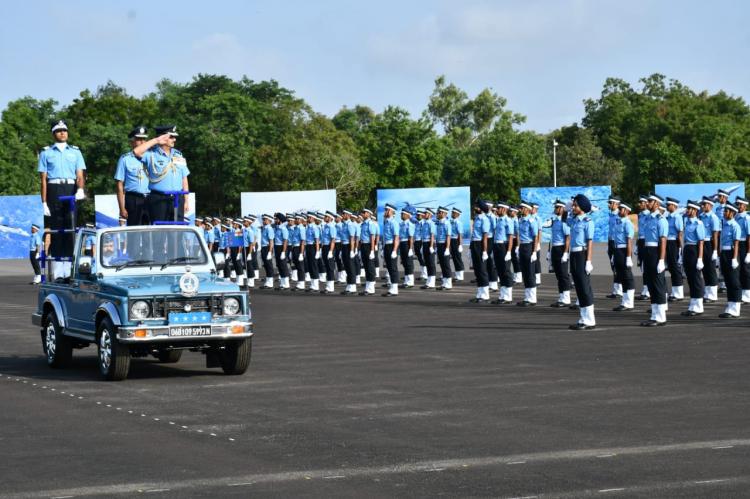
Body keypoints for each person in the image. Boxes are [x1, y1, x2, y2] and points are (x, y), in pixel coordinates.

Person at [38, 120, 86, 278]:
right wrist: (44, 201)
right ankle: (59, 270)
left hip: (71, 188)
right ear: (53, 134)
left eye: (64, 130)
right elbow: (43, 179)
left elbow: (80, 174)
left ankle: (70, 268)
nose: (63, 133)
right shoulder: (46, 153)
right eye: (59, 131)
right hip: (54, 189)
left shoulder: (76, 152)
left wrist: (80, 189)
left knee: (71, 227)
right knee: (57, 228)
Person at [133, 126, 189, 224]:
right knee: (159, 234)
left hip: (177, 198)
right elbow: (136, 152)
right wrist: (156, 140)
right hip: (159, 199)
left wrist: (186, 200)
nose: (174, 139)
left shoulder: (178, 154)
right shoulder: (151, 154)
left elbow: (184, 178)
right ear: (163, 137)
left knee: (177, 233)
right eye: (171, 137)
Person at [639, 194, 669, 327]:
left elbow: (663, 240)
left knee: (658, 284)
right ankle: (654, 315)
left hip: (656, 252)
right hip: (648, 251)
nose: (647, 203)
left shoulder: (660, 220)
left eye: (650, 201)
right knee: (650, 283)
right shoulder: (647, 218)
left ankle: (661, 316)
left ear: (657, 204)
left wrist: (662, 260)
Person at [568, 194, 596, 330]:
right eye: (573, 205)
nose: (573, 207)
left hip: (582, 254)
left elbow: (590, 243)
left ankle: (589, 320)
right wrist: (571, 204)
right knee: (578, 286)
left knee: (584, 287)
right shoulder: (573, 220)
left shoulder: (587, 221)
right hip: (573, 254)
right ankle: (583, 317)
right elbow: (563, 215)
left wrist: (588, 261)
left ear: (582, 207)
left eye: (576, 205)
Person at [114, 126, 150, 228]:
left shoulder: (151, 157)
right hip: (133, 199)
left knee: (150, 234)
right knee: (134, 233)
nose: (142, 142)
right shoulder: (125, 159)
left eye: (144, 139)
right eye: (138, 139)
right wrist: (122, 208)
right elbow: (119, 185)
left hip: (149, 198)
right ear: (132, 142)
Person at [680, 200, 706, 316]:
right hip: (687, 249)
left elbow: (701, 242)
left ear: (695, 210)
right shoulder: (687, 222)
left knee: (696, 278)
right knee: (690, 278)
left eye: (690, 209)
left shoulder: (698, 224)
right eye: (687, 208)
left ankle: (699, 306)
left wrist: (700, 258)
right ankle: (693, 304)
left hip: (695, 250)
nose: (687, 210)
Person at [719, 202, 742, 318]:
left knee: (734, 281)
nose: (724, 213)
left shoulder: (735, 226)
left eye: (726, 211)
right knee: (727, 281)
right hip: (724, 253)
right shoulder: (725, 224)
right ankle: (730, 306)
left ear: (732, 213)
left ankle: (736, 308)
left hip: (732, 253)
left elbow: (736, 243)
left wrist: (734, 258)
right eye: (724, 211)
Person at [611, 202, 636, 311]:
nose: (619, 210)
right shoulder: (618, 222)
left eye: (621, 209)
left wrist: (628, 257)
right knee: (621, 275)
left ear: (626, 211)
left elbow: (629, 241)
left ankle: (629, 302)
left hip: (624, 249)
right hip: (617, 249)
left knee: (627, 276)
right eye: (619, 208)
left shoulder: (627, 223)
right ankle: (624, 301)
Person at [548, 199, 572, 308]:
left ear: (562, 209)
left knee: (563, 274)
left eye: (557, 207)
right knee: (558, 274)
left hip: (562, 248)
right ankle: (561, 296)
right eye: (555, 207)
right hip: (555, 248)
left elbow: (567, 237)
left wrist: (565, 253)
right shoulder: (555, 221)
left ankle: (566, 298)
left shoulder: (564, 221)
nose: (555, 209)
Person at [516, 201, 540, 306]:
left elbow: (535, 236)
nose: (520, 210)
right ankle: (527, 297)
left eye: (522, 208)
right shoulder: (521, 220)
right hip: (523, 246)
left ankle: (532, 298)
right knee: (525, 272)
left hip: (529, 246)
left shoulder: (531, 221)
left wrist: (534, 251)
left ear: (527, 209)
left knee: (530, 272)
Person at [492, 202, 515, 304]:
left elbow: (510, 237)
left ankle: (508, 296)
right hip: (497, 246)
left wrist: (509, 251)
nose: (497, 210)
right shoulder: (498, 220)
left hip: (504, 246)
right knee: (500, 271)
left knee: (506, 271)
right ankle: (502, 295)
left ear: (504, 210)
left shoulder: (508, 221)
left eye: (499, 208)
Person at [469, 200, 492, 303]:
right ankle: (479, 294)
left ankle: (485, 295)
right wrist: (470, 248)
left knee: (482, 270)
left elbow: (485, 237)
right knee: (477, 270)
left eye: (477, 207)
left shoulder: (484, 219)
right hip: (474, 244)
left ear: (481, 209)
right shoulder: (476, 219)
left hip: (480, 245)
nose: (475, 208)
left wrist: (484, 251)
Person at [699, 197, 721, 302]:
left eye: (705, 204)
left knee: (711, 269)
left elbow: (715, 235)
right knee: (705, 269)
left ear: (711, 205)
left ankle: (713, 295)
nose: (703, 206)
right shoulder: (701, 216)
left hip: (710, 244)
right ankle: (707, 293)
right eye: (702, 204)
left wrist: (715, 250)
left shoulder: (713, 217)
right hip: (702, 243)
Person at [664, 197, 685, 301]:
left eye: (669, 205)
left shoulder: (677, 217)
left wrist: (680, 248)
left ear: (674, 206)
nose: (667, 207)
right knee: (671, 268)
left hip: (674, 243)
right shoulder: (668, 217)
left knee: (675, 268)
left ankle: (679, 293)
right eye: (667, 205)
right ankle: (675, 291)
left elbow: (680, 233)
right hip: (668, 242)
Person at [381, 204, 401, 296]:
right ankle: (392, 287)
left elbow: (396, 237)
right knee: (389, 267)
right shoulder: (386, 222)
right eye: (385, 210)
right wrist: (383, 248)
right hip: (387, 246)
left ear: (392, 212)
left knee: (393, 268)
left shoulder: (394, 222)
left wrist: (394, 250)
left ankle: (394, 288)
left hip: (392, 246)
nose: (386, 211)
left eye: (387, 210)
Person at [606, 196, 623, 299]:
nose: (609, 204)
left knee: (618, 267)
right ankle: (616, 290)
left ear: (617, 204)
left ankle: (620, 290)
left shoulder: (619, 215)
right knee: (613, 267)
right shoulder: (611, 215)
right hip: (611, 242)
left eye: (611, 203)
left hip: (616, 243)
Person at [734, 197, 750, 303]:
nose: (738, 206)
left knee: (746, 270)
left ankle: (747, 294)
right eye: (738, 204)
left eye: (740, 204)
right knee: (738, 270)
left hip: (745, 244)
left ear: (745, 206)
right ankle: (741, 293)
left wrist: (749, 252)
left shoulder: (747, 218)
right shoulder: (735, 217)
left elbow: (749, 236)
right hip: (737, 244)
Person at [635, 195, 651, 300]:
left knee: (647, 266)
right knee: (642, 266)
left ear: (646, 203)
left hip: (647, 241)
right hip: (641, 241)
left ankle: (648, 290)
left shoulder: (649, 215)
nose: (640, 204)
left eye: (642, 202)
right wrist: (637, 244)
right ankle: (645, 289)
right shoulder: (640, 215)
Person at [339, 210, 358, 295]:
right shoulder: (344, 225)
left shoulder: (350, 225)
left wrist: (352, 250)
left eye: (343, 214)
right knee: (346, 266)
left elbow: (352, 238)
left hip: (348, 246)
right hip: (344, 246)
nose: (342, 215)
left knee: (351, 267)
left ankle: (353, 286)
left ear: (347, 215)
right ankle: (349, 285)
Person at [435, 206, 453, 290]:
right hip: (439, 244)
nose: (438, 214)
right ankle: (444, 283)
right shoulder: (439, 223)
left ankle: (448, 283)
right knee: (442, 264)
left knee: (446, 264)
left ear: (444, 214)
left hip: (444, 245)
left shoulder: (447, 223)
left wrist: (447, 248)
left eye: (439, 212)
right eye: (438, 212)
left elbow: (448, 236)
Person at [321, 211, 338, 294]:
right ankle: (328, 286)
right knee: (327, 266)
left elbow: (333, 240)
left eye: (326, 216)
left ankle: (331, 287)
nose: (324, 217)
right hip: (325, 247)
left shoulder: (332, 227)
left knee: (330, 267)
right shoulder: (325, 226)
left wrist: (330, 251)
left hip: (329, 247)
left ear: (330, 218)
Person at [420, 208, 437, 289]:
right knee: (427, 262)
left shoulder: (431, 223)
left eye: (426, 213)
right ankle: (429, 281)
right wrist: (423, 245)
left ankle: (432, 282)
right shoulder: (424, 223)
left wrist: (431, 246)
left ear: (430, 215)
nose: (424, 214)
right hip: (425, 243)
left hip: (430, 243)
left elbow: (432, 236)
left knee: (431, 263)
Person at [398, 208, 416, 288]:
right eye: (401, 214)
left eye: (403, 214)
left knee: (409, 263)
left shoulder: (410, 224)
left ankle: (410, 282)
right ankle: (406, 280)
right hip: (402, 243)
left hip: (407, 244)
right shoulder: (401, 224)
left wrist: (410, 249)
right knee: (404, 263)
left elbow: (411, 238)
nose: (401, 215)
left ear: (408, 215)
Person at [305, 212, 322, 292]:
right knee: (310, 265)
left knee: (314, 265)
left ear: (313, 218)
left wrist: (318, 251)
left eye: (309, 217)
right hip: (308, 246)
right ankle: (312, 284)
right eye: (308, 217)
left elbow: (317, 240)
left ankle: (316, 285)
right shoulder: (308, 227)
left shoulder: (315, 227)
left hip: (313, 247)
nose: (308, 219)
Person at [259, 214, 275, 289]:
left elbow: (271, 241)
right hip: (263, 247)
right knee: (266, 265)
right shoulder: (264, 228)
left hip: (267, 248)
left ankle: (270, 283)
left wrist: (270, 252)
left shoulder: (269, 229)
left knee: (269, 265)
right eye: (263, 219)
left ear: (269, 221)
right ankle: (268, 281)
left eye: (265, 219)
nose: (263, 221)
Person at [450, 208, 465, 281]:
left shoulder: (458, 223)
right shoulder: (451, 222)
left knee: (457, 258)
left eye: (454, 213)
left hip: (456, 240)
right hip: (451, 240)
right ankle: (457, 275)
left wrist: (460, 245)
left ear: (458, 215)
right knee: (454, 258)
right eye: (452, 212)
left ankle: (460, 276)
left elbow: (460, 234)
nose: (452, 214)